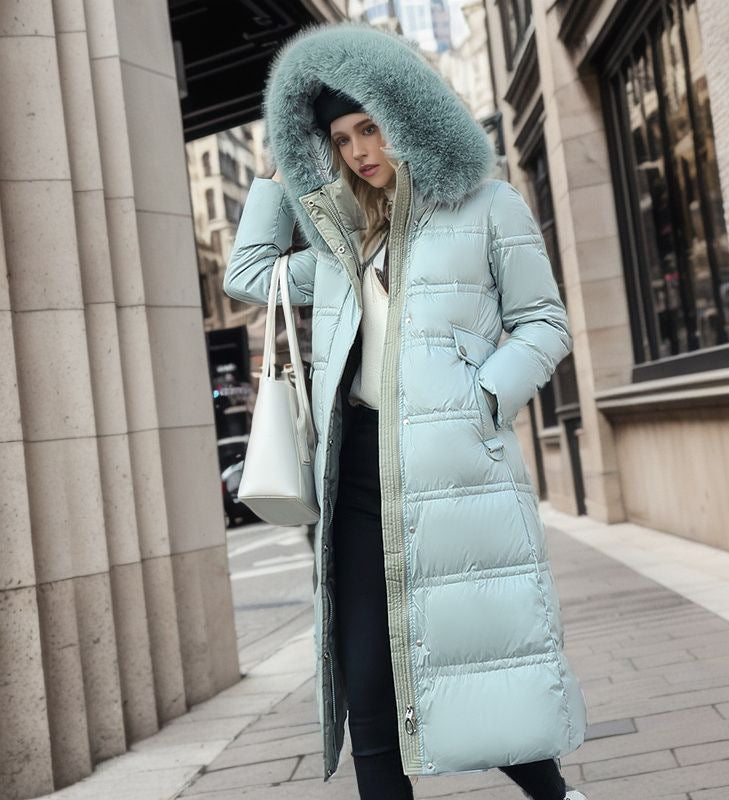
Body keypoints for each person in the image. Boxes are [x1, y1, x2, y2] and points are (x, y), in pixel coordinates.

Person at [224, 20, 588, 800]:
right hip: (355, 480)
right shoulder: (337, 240)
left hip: (454, 473)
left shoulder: (489, 206)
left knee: (478, 668)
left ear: (410, 115)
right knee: (369, 687)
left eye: (371, 127)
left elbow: (545, 323)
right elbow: (249, 273)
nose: (359, 151)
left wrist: (483, 396)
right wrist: (284, 167)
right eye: (341, 137)